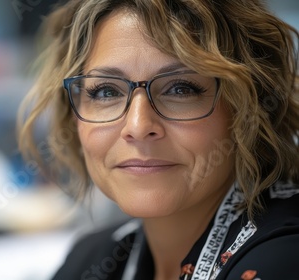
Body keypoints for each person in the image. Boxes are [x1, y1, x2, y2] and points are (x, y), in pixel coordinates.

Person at [17, 0, 299, 279]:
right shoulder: (92, 259)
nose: (138, 126)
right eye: (105, 92)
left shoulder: (283, 260)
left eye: (180, 89)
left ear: (250, 107)